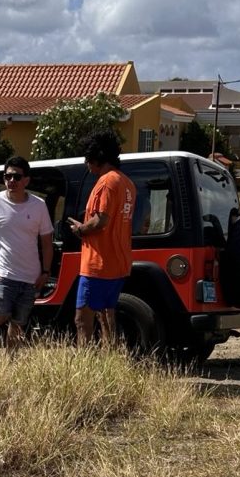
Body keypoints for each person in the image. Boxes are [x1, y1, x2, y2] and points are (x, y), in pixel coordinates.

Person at [0, 156, 54, 351]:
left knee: (18, 324)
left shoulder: (39, 205)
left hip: (30, 278)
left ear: (27, 180)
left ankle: (10, 361)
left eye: (17, 177)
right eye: (7, 176)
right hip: (3, 276)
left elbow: (47, 243)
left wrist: (46, 272)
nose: (11, 181)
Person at [67, 130, 135, 348]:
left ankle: (84, 365)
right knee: (106, 316)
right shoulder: (127, 184)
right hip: (118, 262)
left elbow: (101, 221)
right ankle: (110, 358)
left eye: (87, 159)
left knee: (82, 320)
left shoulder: (106, 183)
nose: (87, 165)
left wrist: (80, 229)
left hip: (97, 264)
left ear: (96, 157)